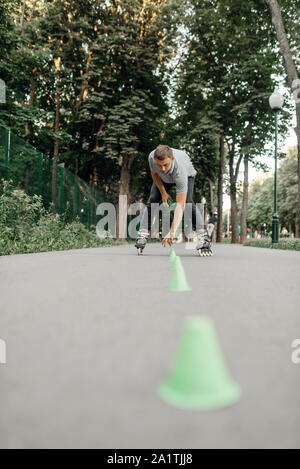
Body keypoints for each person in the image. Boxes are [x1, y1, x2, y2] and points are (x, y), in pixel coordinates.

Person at [135, 144, 211, 254]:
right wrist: (163, 193)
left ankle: (203, 236)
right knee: (153, 199)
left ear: (172, 159)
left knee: (188, 202)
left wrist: (172, 232)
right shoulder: (152, 157)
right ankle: (143, 233)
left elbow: (180, 205)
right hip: (163, 179)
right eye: (159, 165)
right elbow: (155, 174)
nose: (163, 169)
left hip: (187, 176)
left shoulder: (180, 171)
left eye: (166, 165)